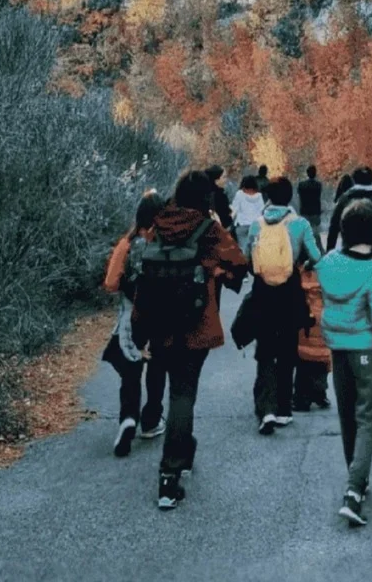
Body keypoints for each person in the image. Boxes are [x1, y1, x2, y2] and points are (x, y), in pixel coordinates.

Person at [133, 170, 247, 509]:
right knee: (183, 393)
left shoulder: (159, 224)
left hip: (157, 322)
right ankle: (169, 477)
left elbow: (145, 277)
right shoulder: (208, 229)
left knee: (176, 390)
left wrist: (139, 330)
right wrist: (215, 271)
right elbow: (239, 261)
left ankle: (184, 448)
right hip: (194, 323)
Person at [315, 200, 372, 528]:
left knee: (346, 413)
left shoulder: (329, 263)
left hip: (337, 348)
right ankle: (354, 489)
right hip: (366, 352)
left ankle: (355, 473)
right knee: (367, 417)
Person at [248, 176, 322, 433]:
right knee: (288, 348)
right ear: (291, 197)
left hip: (262, 293)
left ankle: (265, 408)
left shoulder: (257, 225)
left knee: (265, 350)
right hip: (290, 291)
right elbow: (316, 256)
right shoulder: (300, 224)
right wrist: (305, 265)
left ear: (267, 197)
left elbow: (249, 258)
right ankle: (283, 408)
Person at [100, 191, 168, 457]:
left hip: (131, 316)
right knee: (157, 369)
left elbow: (110, 283)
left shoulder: (126, 244)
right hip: (161, 316)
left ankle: (128, 417)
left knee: (130, 370)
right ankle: (151, 420)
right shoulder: (165, 244)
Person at [327, 166, 372, 261]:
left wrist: (329, 252)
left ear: (354, 180)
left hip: (349, 253)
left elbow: (333, 228)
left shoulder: (344, 200)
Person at [292, 264, 331, 412]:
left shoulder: (295, 273)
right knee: (321, 354)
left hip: (304, 317)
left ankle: (301, 397)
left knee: (303, 356)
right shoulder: (324, 271)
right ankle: (320, 392)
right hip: (322, 316)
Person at [230, 174, 265, 256]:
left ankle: (244, 267)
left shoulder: (240, 194)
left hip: (242, 225)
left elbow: (234, 209)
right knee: (255, 250)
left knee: (243, 249)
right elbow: (262, 211)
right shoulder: (259, 196)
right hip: (256, 226)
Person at [296, 164, 324, 246]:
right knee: (315, 233)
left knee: (304, 233)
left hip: (304, 212)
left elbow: (300, 196)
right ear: (315, 173)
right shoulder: (318, 185)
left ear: (307, 173)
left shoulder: (301, 185)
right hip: (315, 213)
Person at [203, 164, 233, 233]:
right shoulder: (220, 196)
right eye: (224, 177)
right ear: (216, 180)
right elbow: (225, 219)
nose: (226, 180)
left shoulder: (204, 193)